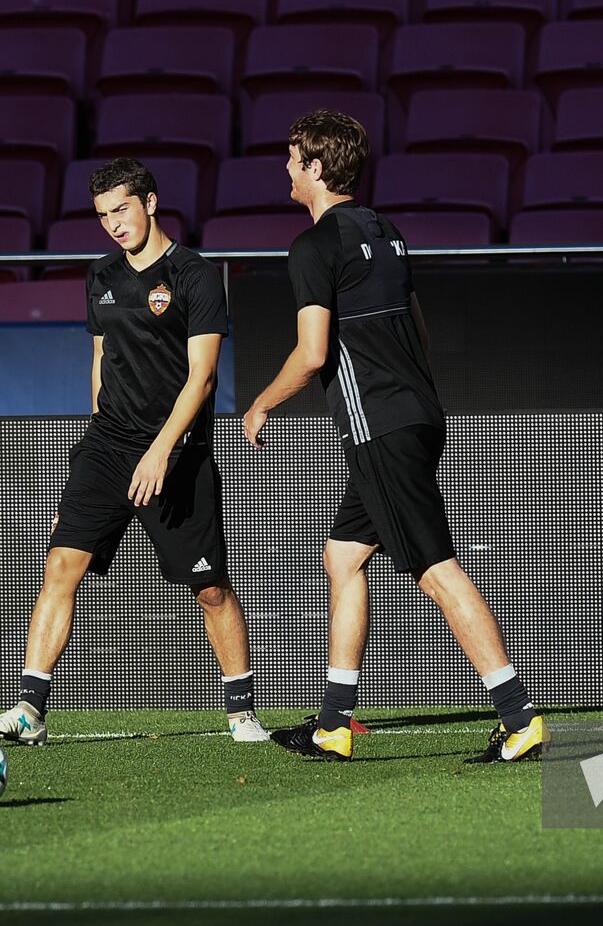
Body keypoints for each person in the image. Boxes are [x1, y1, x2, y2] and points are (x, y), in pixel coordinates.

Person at [242, 109, 543, 763]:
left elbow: (314, 351)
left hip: (379, 426)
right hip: (418, 414)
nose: (287, 171)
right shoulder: (387, 231)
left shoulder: (314, 245)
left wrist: (261, 402)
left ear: (317, 169)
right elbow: (420, 331)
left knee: (437, 570)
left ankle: (518, 714)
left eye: (294, 160)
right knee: (343, 557)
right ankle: (334, 722)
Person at [0, 157, 268, 745]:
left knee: (209, 587)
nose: (112, 223)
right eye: (103, 214)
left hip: (176, 452)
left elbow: (203, 377)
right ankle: (29, 708)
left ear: (151, 202)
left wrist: (161, 449)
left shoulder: (196, 276)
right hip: (107, 447)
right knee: (62, 562)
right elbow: (100, 360)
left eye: (121, 209)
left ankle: (241, 710)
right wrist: (92, 446)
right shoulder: (100, 275)